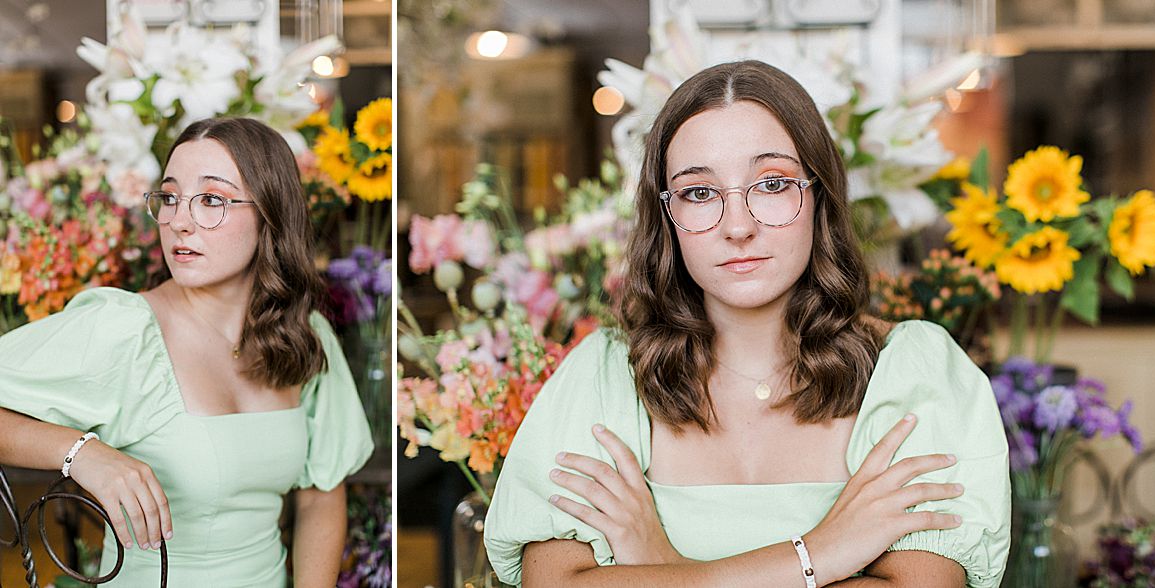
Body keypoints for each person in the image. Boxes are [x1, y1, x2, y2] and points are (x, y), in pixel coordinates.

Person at [485, 61, 1010, 587]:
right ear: (667, 217)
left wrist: (665, 568)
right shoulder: (603, 378)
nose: (738, 226)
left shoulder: (915, 376)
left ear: (818, 196)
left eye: (773, 183)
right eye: (698, 192)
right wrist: (822, 552)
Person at [0, 117, 374, 586]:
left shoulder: (304, 334)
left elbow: (322, 493)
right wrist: (81, 452)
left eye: (212, 200)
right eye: (171, 197)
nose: (179, 221)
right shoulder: (124, 328)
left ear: (271, 214)